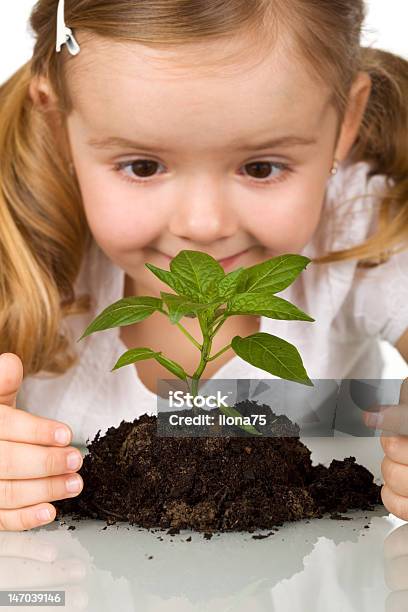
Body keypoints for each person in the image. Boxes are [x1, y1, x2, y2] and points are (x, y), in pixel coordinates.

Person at [0, 0, 407, 532]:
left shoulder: (360, 226)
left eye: (261, 167)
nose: (203, 224)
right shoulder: (25, 238)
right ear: (58, 123)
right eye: (142, 166)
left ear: (346, 121)